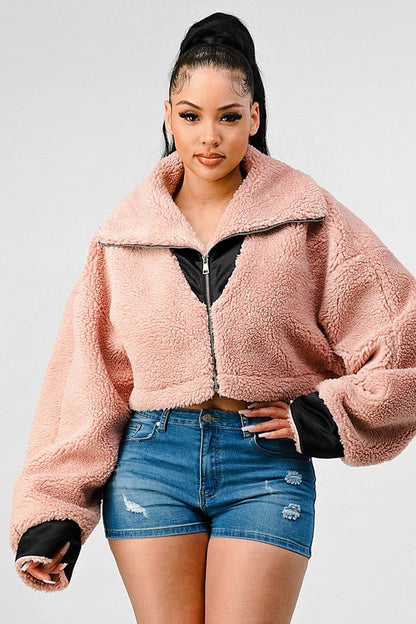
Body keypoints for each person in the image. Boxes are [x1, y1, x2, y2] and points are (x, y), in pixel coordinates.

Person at [9, 11, 416, 624]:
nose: (209, 137)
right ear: (168, 116)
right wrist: (52, 510)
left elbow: (401, 332)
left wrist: (323, 414)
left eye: (228, 117)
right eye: (191, 115)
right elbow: (86, 379)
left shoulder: (307, 217)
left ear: (254, 118)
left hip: (264, 464)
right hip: (150, 463)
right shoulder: (124, 234)